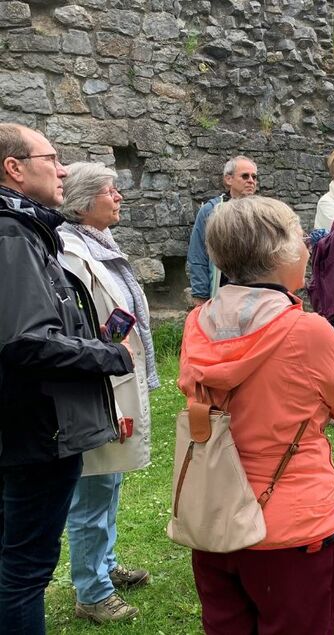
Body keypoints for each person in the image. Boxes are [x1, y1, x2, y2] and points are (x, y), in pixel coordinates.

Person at [178, 196, 334, 634]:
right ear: (279, 253)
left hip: (215, 514)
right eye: (299, 237)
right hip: (293, 530)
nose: (305, 246)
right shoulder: (307, 331)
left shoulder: (197, 321)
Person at [0, 124, 134, 634]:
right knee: (23, 571)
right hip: (34, 430)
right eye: (51, 158)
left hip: (28, 424)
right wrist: (108, 354)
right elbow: (26, 341)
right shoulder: (11, 232)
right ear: (14, 167)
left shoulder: (26, 228)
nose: (61, 169)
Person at [58, 163, 157, 623]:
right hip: (100, 387)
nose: (118, 197)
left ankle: (104, 565)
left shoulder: (96, 245)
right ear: (82, 203)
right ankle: (92, 592)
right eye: (109, 190)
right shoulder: (72, 255)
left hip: (112, 380)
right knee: (95, 486)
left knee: (108, 480)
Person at [186, 155, 258, 305]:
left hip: (255, 293)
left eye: (254, 176)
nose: (251, 180)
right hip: (221, 293)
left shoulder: (262, 212)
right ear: (228, 179)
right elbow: (198, 254)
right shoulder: (211, 211)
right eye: (245, 176)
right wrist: (200, 295)